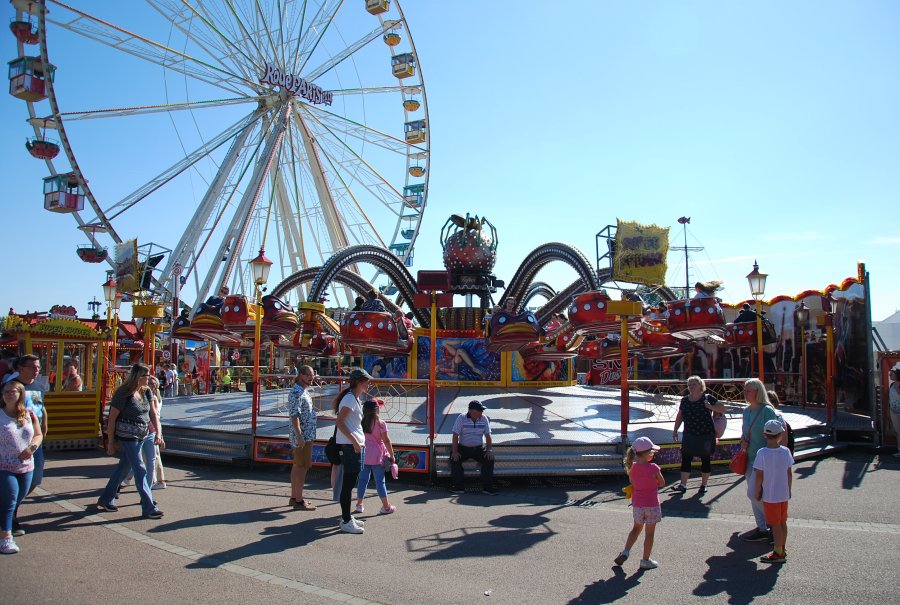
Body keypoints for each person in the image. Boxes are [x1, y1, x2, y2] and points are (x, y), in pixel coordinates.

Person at [96, 364, 164, 519]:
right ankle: (149, 507)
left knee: (123, 468)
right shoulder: (123, 393)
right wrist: (110, 442)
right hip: (127, 436)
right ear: (138, 377)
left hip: (143, 434)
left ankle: (105, 499)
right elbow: (112, 418)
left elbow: (153, 414)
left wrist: (158, 433)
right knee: (140, 469)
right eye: (146, 375)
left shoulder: (146, 391)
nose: (149, 378)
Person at [2, 354, 47, 536]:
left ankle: (10, 507)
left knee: (35, 479)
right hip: (13, 442)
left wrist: (44, 427)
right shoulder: (11, 387)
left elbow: (41, 407)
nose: (37, 370)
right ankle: (10, 518)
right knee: (12, 485)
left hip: (34, 440)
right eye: (32, 367)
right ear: (21, 368)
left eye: (38, 367)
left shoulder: (39, 386)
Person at [0, 380, 42, 554]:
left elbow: (38, 434)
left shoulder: (29, 415)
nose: (10, 394)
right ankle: (6, 538)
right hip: (4, 466)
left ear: (20, 394)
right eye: (6, 391)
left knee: (15, 500)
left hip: (26, 467)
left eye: (13, 391)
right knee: (10, 498)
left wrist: (32, 447)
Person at [739, 378, 780, 542]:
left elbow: (775, 434)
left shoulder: (767, 411)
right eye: (745, 390)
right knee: (754, 494)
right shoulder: (746, 411)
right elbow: (744, 432)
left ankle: (773, 524)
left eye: (749, 390)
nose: (745, 393)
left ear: (758, 392)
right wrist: (742, 441)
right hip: (749, 457)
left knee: (753, 493)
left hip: (763, 459)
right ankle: (762, 527)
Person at [614, 437, 664, 570]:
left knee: (636, 529)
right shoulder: (654, 468)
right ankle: (645, 560)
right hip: (652, 504)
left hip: (638, 505)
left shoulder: (632, 467)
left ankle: (625, 552)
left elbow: (633, 482)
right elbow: (662, 483)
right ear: (648, 454)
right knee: (649, 533)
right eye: (652, 452)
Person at [672, 376, 726, 495]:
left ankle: (704, 485)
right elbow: (680, 416)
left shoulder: (707, 398)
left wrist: (710, 407)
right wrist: (675, 430)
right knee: (686, 459)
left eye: (694, 384)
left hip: (705, 435)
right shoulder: (684, 400)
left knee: (705, 459)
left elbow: (723, 408)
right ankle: (682, 485)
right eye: (689, 384)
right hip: (689, 434)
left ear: (700, 385)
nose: (691, 386)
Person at [334, 369, 370, 534]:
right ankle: (346, 520)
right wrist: (355, 441)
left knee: (351, 483)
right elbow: (340, 422)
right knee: (348, 485)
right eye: (366, 381)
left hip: (354, 445)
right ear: (358, 382)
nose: (368, 384)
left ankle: (347, 517)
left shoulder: (354, 398)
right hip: (350, 446)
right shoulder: (349, 399)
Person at [753, 419, 794, 564]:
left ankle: (778, 552)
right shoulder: (786, 451)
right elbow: (789, 472)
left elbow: (759, 475)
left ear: (765, 435)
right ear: (780, 435)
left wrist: (757, 490)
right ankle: (782, 547)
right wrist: (789, 489)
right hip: (783, 493)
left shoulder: (762, 453)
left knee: (775, 524)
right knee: (782, 522)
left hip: (771, 495)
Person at [355, 399, 396, 515]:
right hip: (378, 456)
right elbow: (386, 440)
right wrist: (392, 455)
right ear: (377, 409)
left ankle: (359, 504)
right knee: (380, 482)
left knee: (362, 480)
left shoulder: (361, 422)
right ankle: (386, 507)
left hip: (364, 454)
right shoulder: (381, 423)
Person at [449, 400, 496, 495]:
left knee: (489, 459)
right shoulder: (461, 418)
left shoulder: (484, 418)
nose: (482, 412)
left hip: (478, 448)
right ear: (471, 411)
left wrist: (489, 450)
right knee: (454, 458)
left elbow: (488, 435)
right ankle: (458, 487)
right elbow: (455, 435)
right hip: (463, 448)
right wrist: (455, 452)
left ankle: (487, 488)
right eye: (480, 410)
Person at [288, 365, 317, 511]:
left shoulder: (302, 391)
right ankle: (299, 500)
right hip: (303, 437)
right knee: (302, 468)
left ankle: (294, 497)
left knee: (297, 465)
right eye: (308, 375)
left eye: (313, 375)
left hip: (305, 435)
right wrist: (299, 436)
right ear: (301, 375)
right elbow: (294, 416)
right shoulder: (296, 392)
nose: (312, 378)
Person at [148, 376, 167, 490]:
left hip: (152, 427)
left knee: (153, 456)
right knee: (153, 456)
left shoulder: (153, 398)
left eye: (152, 383)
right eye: (149, 383)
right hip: (154, 427)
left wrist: (159, 434)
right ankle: (156, 480)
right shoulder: (156, 397)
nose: (149, 384)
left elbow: (154, 416)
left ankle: (159, 480)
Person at [888, 366, 900, 458]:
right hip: (893, 411)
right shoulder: (891, 385)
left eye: (892, 374)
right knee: (897, 431)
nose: (890, 375)